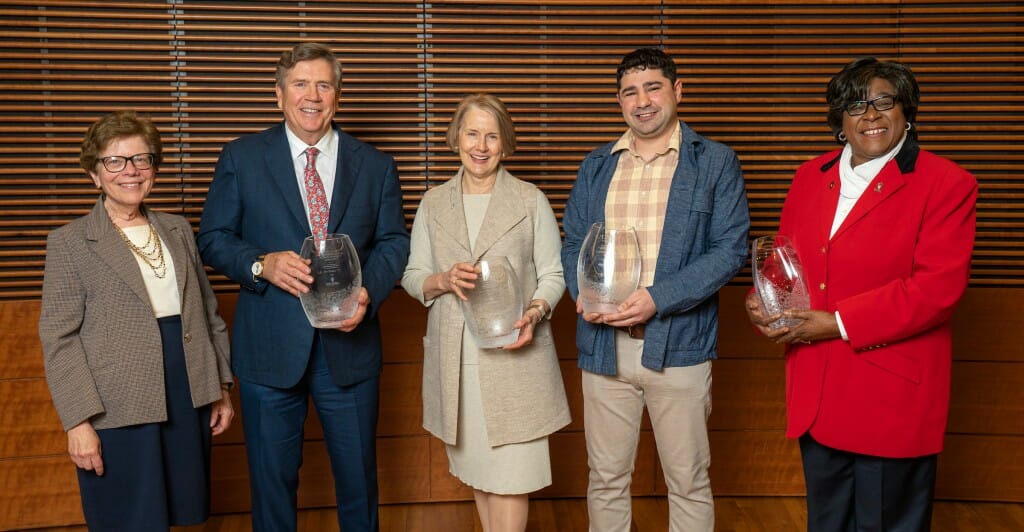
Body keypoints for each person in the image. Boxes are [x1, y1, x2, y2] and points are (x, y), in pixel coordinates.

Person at [744, 57, 977, 531]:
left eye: (882, 102)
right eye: (855, 106)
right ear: (840, 121)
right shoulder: (810, 175)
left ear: (906, 111)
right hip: (819, 389)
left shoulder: (947, 184)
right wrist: (763, 297)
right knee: (827, 524)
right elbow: (784, 265)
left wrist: (836, 323)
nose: (870, 115)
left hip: (891, 399)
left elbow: (937, 290)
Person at [196, 43, 409, 532]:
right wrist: (259, 264)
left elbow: (396, 241)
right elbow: (212, 238)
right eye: (299, 84)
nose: (311, 96)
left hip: (350, 350)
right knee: (272, 486)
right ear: (278, 95)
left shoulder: (375, 165)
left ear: (337, 95)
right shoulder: (242, 157)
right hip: (269, 351)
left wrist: (368, 293)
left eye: (323, 84)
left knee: (358, 483)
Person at [561, 48, 750, 531]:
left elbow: (730, 249)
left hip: (680, 348)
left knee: (687, 480)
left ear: (677, 90)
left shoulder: (715, 162)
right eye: (629, 92)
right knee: (605, 478)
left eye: (653, 87)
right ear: (619, 101)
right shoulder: (597, 165)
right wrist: (580, 292)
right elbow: (572, 243)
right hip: (603, 349)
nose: (641, 101)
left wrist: (657, 298)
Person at [38, 110, 234, 531]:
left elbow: (207, 313)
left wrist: (219, 387)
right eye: (115, 161)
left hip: (187, 394)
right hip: (116, 406)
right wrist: (77, 421)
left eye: (141, 160)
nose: (130, 171)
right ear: (95, 174)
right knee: (128, 518)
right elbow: (60, 340)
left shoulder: (178, 229)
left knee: (183, 512)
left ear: (153, 169)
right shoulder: (70, 242)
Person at [401, 93, 570, 532]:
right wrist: (442, 280)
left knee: (511, 479)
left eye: (492, 136)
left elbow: (555, 273)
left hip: (518, 357)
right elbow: (413, 274)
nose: (481, 145)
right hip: (458, 366)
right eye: (472, 133)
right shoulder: (434, 203)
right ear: (456, 137)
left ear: (505, 143)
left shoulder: (531, 200)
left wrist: (535, 310)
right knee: (480, 474)